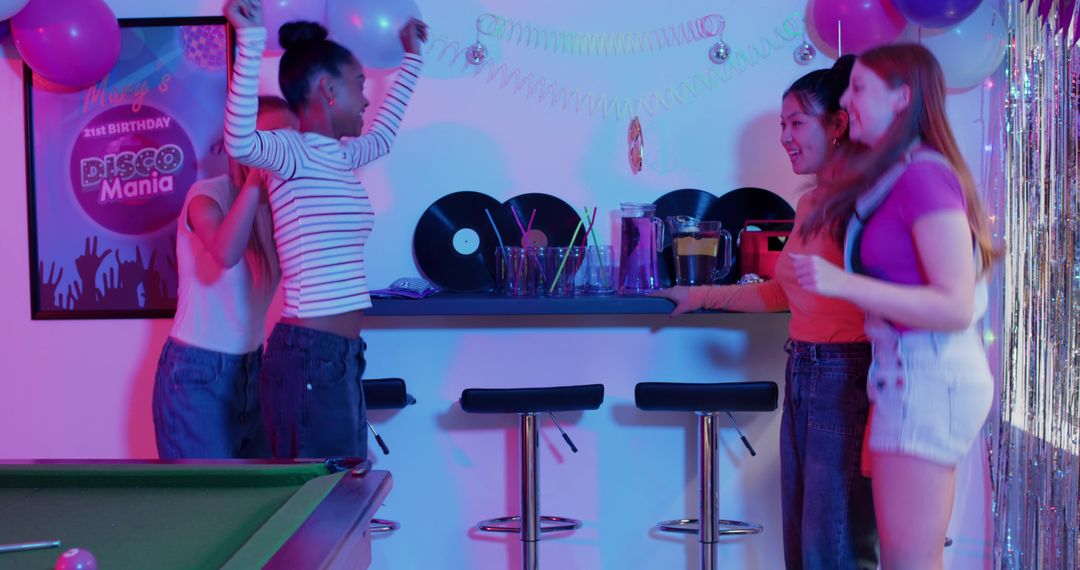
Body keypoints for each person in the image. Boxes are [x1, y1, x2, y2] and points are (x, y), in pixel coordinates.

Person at [651, 55, 880, 569]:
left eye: (796, 122)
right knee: (803, 546)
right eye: (781, 124)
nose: (785, 136)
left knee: (836, 547)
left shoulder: (866, 201)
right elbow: (781, 293)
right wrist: (698, 295)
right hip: (803, 368)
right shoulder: (811, 203)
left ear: (837, 124)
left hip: (847, 376)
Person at [792, 43, 996, 570]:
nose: (846, 100)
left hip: (928, 379)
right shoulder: (895, 174)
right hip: (903, 378)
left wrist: (842, 284)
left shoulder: (924, 176)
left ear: (902, 98)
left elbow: (954, 304)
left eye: (859, 88)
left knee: (909, 562)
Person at [222, 0, 426, 459]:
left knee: (344, 490)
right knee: (322, 502)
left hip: (339, 356)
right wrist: (252, 40)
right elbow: (238, 140)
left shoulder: (340, 157)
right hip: (309, 356)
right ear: (327, 89)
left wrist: (412, 59)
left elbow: (385, 135)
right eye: (359, 85)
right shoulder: (291, 152)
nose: (367, 98)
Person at [152, 96, 298, 459]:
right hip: (197, 374)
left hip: (253, 369)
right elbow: (226, 252)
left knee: (253, 499)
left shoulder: (285, 206)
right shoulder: (207, 195)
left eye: (291, 139)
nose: (283, 149)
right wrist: (254, 182)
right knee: (203, 503)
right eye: (273, 139)